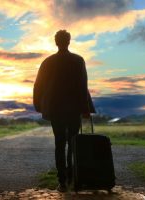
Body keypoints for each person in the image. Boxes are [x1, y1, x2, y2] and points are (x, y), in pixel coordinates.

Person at [33, 30, 95, 192]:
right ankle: (73, 177)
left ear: (56, 42)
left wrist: (39, 105)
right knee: (73, 143)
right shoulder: (78, 60)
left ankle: (62, 182)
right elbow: (83, 86)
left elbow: (38, 85)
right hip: (74, 108)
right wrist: (86, 109)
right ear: (69, 41)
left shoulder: (48, 62)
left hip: (55, 109)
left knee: (59, 144)